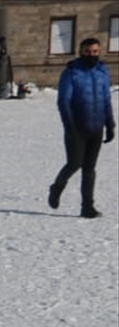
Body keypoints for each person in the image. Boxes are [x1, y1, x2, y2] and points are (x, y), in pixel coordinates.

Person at [48, 37, 115, 219]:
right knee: (75, 163)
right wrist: (69, 125)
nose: (91, 55)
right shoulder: (72, 72)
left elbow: (106, 100)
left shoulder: (102, 72)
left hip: (96, 127)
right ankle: (57, 187)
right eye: (87, 51)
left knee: (89, 169)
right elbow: (64, 101)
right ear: (81, 52)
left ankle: (87, 207)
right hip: (77, 127)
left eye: (95, 51)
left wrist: (110, 124)